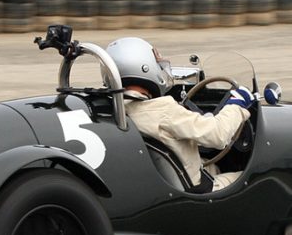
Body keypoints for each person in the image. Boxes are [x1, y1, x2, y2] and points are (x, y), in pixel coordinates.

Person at [105, 36, 256, 192]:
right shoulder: (163, 110)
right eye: (156, 62)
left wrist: (205, 119)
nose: (160, 66)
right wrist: (238, 104)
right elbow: (217, 135)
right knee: (253, 178)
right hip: (197, 189)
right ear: (144, 66)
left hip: (164, 181)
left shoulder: (116, 109)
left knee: (211, 165)